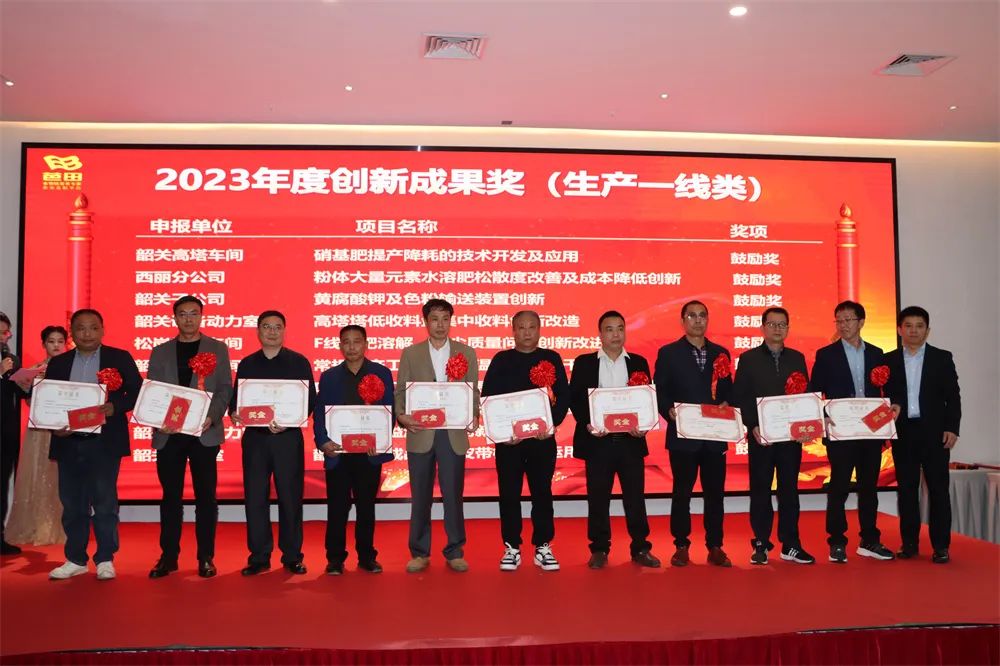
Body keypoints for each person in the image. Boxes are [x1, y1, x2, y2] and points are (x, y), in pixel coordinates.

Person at [44, 309, 142, 580]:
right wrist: (55, 425)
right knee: (72, 504)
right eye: (81, 328)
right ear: (72, 333)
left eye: (93, 327)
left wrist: (115, 406)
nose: (87, 333)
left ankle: (105, 559)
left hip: (104, 441)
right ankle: (75, 558)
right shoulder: (59, 363)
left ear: (102, 330)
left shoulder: (119, 358)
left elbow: (136, 391)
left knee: (104, 502)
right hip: (68, 441)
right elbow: (50, 400)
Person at [147, 296, 233, 579]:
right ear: (174, 318)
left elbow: (225, 389)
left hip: (203, 433)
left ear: (201, 316)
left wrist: (212, 416)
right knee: (170, 497)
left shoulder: (217, 348)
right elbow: (153, 392)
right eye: (182, 314)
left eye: (193, 313)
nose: (188, 319)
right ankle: (168, 557)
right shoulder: (160, 352)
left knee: (206, 497)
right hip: (169, 434)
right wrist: (160, 420)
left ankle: (206, 556)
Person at [569, 310, 660, 569]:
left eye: (620, 328)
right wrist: (589, 423)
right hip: (598, 442)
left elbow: (646, 400)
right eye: (609, 329)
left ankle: (640, 547)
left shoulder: (638, 362)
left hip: (630, 441)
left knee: (635, 498)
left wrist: (643, 426)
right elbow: (576, 399)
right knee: (598, 498)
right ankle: (599, 549)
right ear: (600, 334)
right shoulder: (585, 363)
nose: (616, 334)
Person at [481, 310, 570, 571]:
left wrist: (550, 425)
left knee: (542, 493)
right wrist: (501, 433)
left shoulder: (551, 358)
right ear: (513, 330)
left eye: (532, 327)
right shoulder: (501, 360)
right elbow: (488, 398)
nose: (527, 332)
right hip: (509, 443)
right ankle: (512, 547)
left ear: (540, 329)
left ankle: (543, 545)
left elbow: (563, 396)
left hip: (542, 440)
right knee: (509, 494)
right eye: (521, 327)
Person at [395, 299, 479, 573]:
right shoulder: (411, 353)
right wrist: (402, 415)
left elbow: (472, 390)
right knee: (420, 495)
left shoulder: (466, 352)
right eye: (435, 319)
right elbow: (401, 392)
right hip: (421, 432)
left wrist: (473, 415)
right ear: (426, 322)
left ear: (451, 321)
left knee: (453, 494)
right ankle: (420, 552)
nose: (440, 325)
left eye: (445, 319)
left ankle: (455, 550)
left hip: (452, 433)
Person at [230, 310, 316, 576]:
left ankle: (292, 556)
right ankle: (259, 556)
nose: (272, 332)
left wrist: (290, 421)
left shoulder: (299, 362)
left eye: (277, 327)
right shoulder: (247, 364)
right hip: (255, 440)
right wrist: (235, 413)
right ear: (258, 331)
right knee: (255, 497)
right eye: (266, 327)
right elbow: (236, 401)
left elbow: (309, 401)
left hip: (287, 439)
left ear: (284, 331)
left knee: (290, 498)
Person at [809, 301, 894, 563]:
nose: (843, 325)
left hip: (870, 432)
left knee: (869, 488)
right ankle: (837, 541)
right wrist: (825, 418)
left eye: (848, 320)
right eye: (839, 320)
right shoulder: (826, 355)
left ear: (861, 322)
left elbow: (887, 392)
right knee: (839, 487)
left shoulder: (877, 354)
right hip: (841, 432)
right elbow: (815, 392)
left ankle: (870, 540)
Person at [653, 300, 734, 568]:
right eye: (692, 316)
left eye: (702, 315)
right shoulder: (668, 353)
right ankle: (681, 545)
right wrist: (668, 410)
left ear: (707, 320)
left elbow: (728, 391)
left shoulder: (721, 353)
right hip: (684, 435)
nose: (698, 320)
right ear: (683, 321)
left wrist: (727, 402)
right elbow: (660, 390)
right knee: (682, 493)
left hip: (714, 436)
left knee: (715, 494)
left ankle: (715, 546)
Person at [732, 307, 815, 565]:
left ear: (788, 328)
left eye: (782, 324)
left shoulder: (797, 358)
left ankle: (791, 544)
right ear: (762, 328)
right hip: (762, 437)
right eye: (772, 324)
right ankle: (760, 543)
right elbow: (740, 397)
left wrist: (805, 426)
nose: (777, 329)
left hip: (790, 438)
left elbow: (805, 397)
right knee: (760, 490)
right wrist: (752, 425)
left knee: (789, 491)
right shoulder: (748, 359)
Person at [313, 325, 394, 575]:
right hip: (338, 454)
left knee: (366, 507)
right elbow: (320, 414)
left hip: (369, 455)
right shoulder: (329, 377)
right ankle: (335, 558)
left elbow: (388, 412)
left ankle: (367, 556)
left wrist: (380, 441)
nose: (351, 347)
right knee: (337, 508)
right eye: (346, 342)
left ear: (365, 344)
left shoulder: (381, 373)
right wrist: (323, 442)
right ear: (340, 346)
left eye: (356, 341)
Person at [883, 306, 961, 564]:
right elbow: (882, 398)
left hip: (935, 434)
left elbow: (953, 397)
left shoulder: (942, 358)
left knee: (938, 490)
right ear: (899, 329)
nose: (913, 331)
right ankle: (909, 544)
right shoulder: (888, 360)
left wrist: (952, 427)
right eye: (908, 325)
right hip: (904, 433)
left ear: (927, 330)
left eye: (919, 326)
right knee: (907, 491)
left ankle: (941, 546)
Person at [5, 326, 69, 546]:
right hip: (39, 430)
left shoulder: (72, 369)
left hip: (65, 428)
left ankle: (63, 526)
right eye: (51, 341)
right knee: (37, 475)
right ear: (44, 344)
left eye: (60, 341)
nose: (56, 345)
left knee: (63, 478)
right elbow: (27, 400)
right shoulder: (33, 371)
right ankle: (36, 525)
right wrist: (32, 384)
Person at [0, 311, 23, 555]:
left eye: (5, 332)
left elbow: (21, 393)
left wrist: (29, 381)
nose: (4, 337)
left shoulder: (12, 360)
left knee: (2, 484)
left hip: (5, 433)